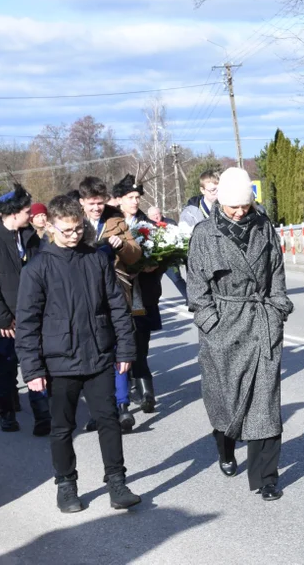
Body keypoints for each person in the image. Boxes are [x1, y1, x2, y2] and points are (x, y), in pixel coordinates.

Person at [14, 195, 141, 513]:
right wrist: (32, 370)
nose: (74, 234)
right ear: (53, 227)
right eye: (67, 230)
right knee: (62, 427)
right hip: (59, 362)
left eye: (78, 228)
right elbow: (27, 323)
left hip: (98, 354)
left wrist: (125, 347)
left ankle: (117, 482)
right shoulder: (38, 268)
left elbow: (117, 308)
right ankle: (66, 485)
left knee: (109, 420)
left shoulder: (97, 259)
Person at [187, 167, 294, 501]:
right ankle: (225, 446)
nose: (240, 211)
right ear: (220, 201)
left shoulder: (264, 227)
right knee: (226, 402)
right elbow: (196, 287)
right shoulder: (205, 234)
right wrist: (211, 324)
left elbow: (277, 272)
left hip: (261, 322)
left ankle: (266, 477)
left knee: (266, 403)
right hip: (223, 327)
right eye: (233, 206)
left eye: (245, 205)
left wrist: (278, 310)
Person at [0, 184, 50, 434]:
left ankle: (42, 416)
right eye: (28, 211)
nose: (31, 215)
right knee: (6, 370)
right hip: (2, 321)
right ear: (14, 213)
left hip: (31, 315)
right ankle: (6, 413)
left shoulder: (30, 238)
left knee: (36, 364)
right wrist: (5, 320)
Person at [78, 176, 142, 431]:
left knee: (119, 349)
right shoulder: (74, 224)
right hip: (86, 298)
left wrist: (122, 245)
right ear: (82, 202)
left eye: (100, 203)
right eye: (91, 203)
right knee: (94, 355)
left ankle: (123, 404)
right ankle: (99, 410)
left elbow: (136, 254)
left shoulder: (116, 221)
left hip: (116, 292)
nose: (96, 208)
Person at [114, 174, 162, 415]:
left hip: (142, 293)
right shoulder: (110, 222)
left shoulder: (147, 224)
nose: (135, 201)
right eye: (130, 197)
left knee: (141, 344)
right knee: (124, 344)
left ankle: (147, 393)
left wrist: (152, 265)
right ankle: (128, 387)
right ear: (119, 200)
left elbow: (161, 253)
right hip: (116, 294)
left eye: (137, 197)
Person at [147, 206, 188, 298]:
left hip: (170, 259)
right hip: (155, 260)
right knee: (154, 282)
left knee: (177, 279)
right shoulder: (147, 225)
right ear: (149, 217)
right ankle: (153, 302)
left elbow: (179, 238)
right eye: (153, 215)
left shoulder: (170, 223)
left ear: (161, 213)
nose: (156, 217)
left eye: (157, 214)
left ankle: (190, 299)